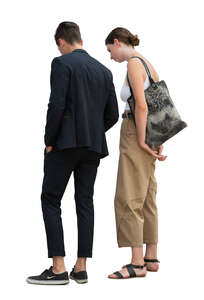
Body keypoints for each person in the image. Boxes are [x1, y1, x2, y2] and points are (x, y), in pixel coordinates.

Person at [26, 21, 119, 285]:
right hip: (92, 147)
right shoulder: (103, 71)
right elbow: (111, 114)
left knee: (50, 199)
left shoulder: (61, 63)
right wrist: (92, 130)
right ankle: (81, 267)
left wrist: (49, 140)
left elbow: (56, 105)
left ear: (61, 42)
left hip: (64, 144)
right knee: (85, 202)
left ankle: (58, 268)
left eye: (59, 45)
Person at [105, 27, 167, 279]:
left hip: (135, 130)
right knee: (147, 196)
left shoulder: (132, 63)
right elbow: (160, 101)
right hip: (153, 131)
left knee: (129, 195)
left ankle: (136, 263)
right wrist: (157, 138)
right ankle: (151, 258)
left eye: (110, 50)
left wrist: (141, 140)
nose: (110, 56)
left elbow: (141, 105)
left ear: (117, 42)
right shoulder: (148, 63)